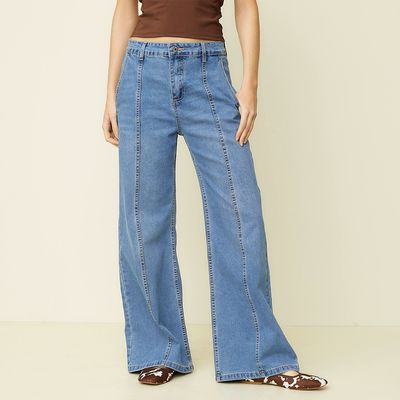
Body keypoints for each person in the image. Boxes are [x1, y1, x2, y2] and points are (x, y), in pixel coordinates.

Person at [102, 0, 328, 390]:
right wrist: (110, 92)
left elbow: (246, 6)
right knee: (143, 220)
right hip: (141, 74)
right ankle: (158, 351)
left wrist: (250, 85)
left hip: (207, 72)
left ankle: (257, 356)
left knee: (241, 213)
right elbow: (126, 9)